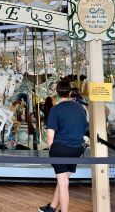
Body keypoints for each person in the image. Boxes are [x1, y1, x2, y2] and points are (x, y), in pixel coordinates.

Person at [38, 78, 88, 212]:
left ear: (57, 92)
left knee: (63, 183)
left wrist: (52, 151)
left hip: (60, 149)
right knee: (63, 179)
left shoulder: (55, 110)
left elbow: (50, 136)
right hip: (77, 149)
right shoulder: (81, 108)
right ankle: (52, 207)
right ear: (70, 92)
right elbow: (84, 130)